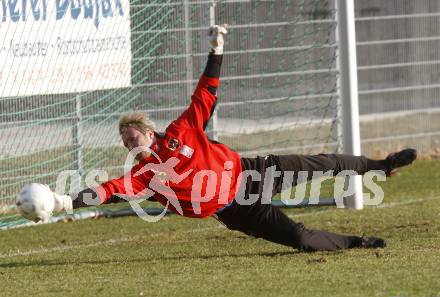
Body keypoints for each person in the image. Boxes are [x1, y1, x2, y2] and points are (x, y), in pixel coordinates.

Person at [26, 25, 417, 252]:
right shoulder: (146, 177)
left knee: (325, 164)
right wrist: (64, 200)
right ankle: (358, 243)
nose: (131, 144)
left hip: (253, 172)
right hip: (236, 209)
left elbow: (205, 94)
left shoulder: (181, 131)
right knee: (300, 239)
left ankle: (382, 165)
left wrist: (217, 49)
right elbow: (110, 189)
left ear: (150, 131)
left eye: (134, 136)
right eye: (127, 143)